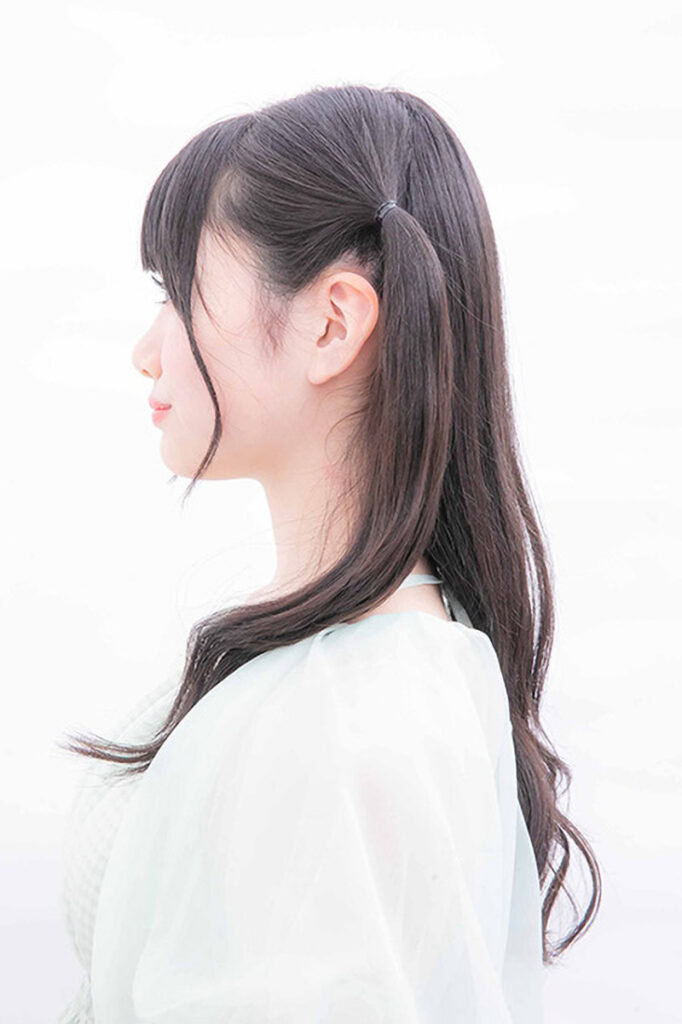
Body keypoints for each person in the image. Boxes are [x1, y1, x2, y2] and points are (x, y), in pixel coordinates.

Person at [56, 83, 601, 1023]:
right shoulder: (391, 661)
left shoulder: (343, 721)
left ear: (332, 325)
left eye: (178, 292)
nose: (147, 351)